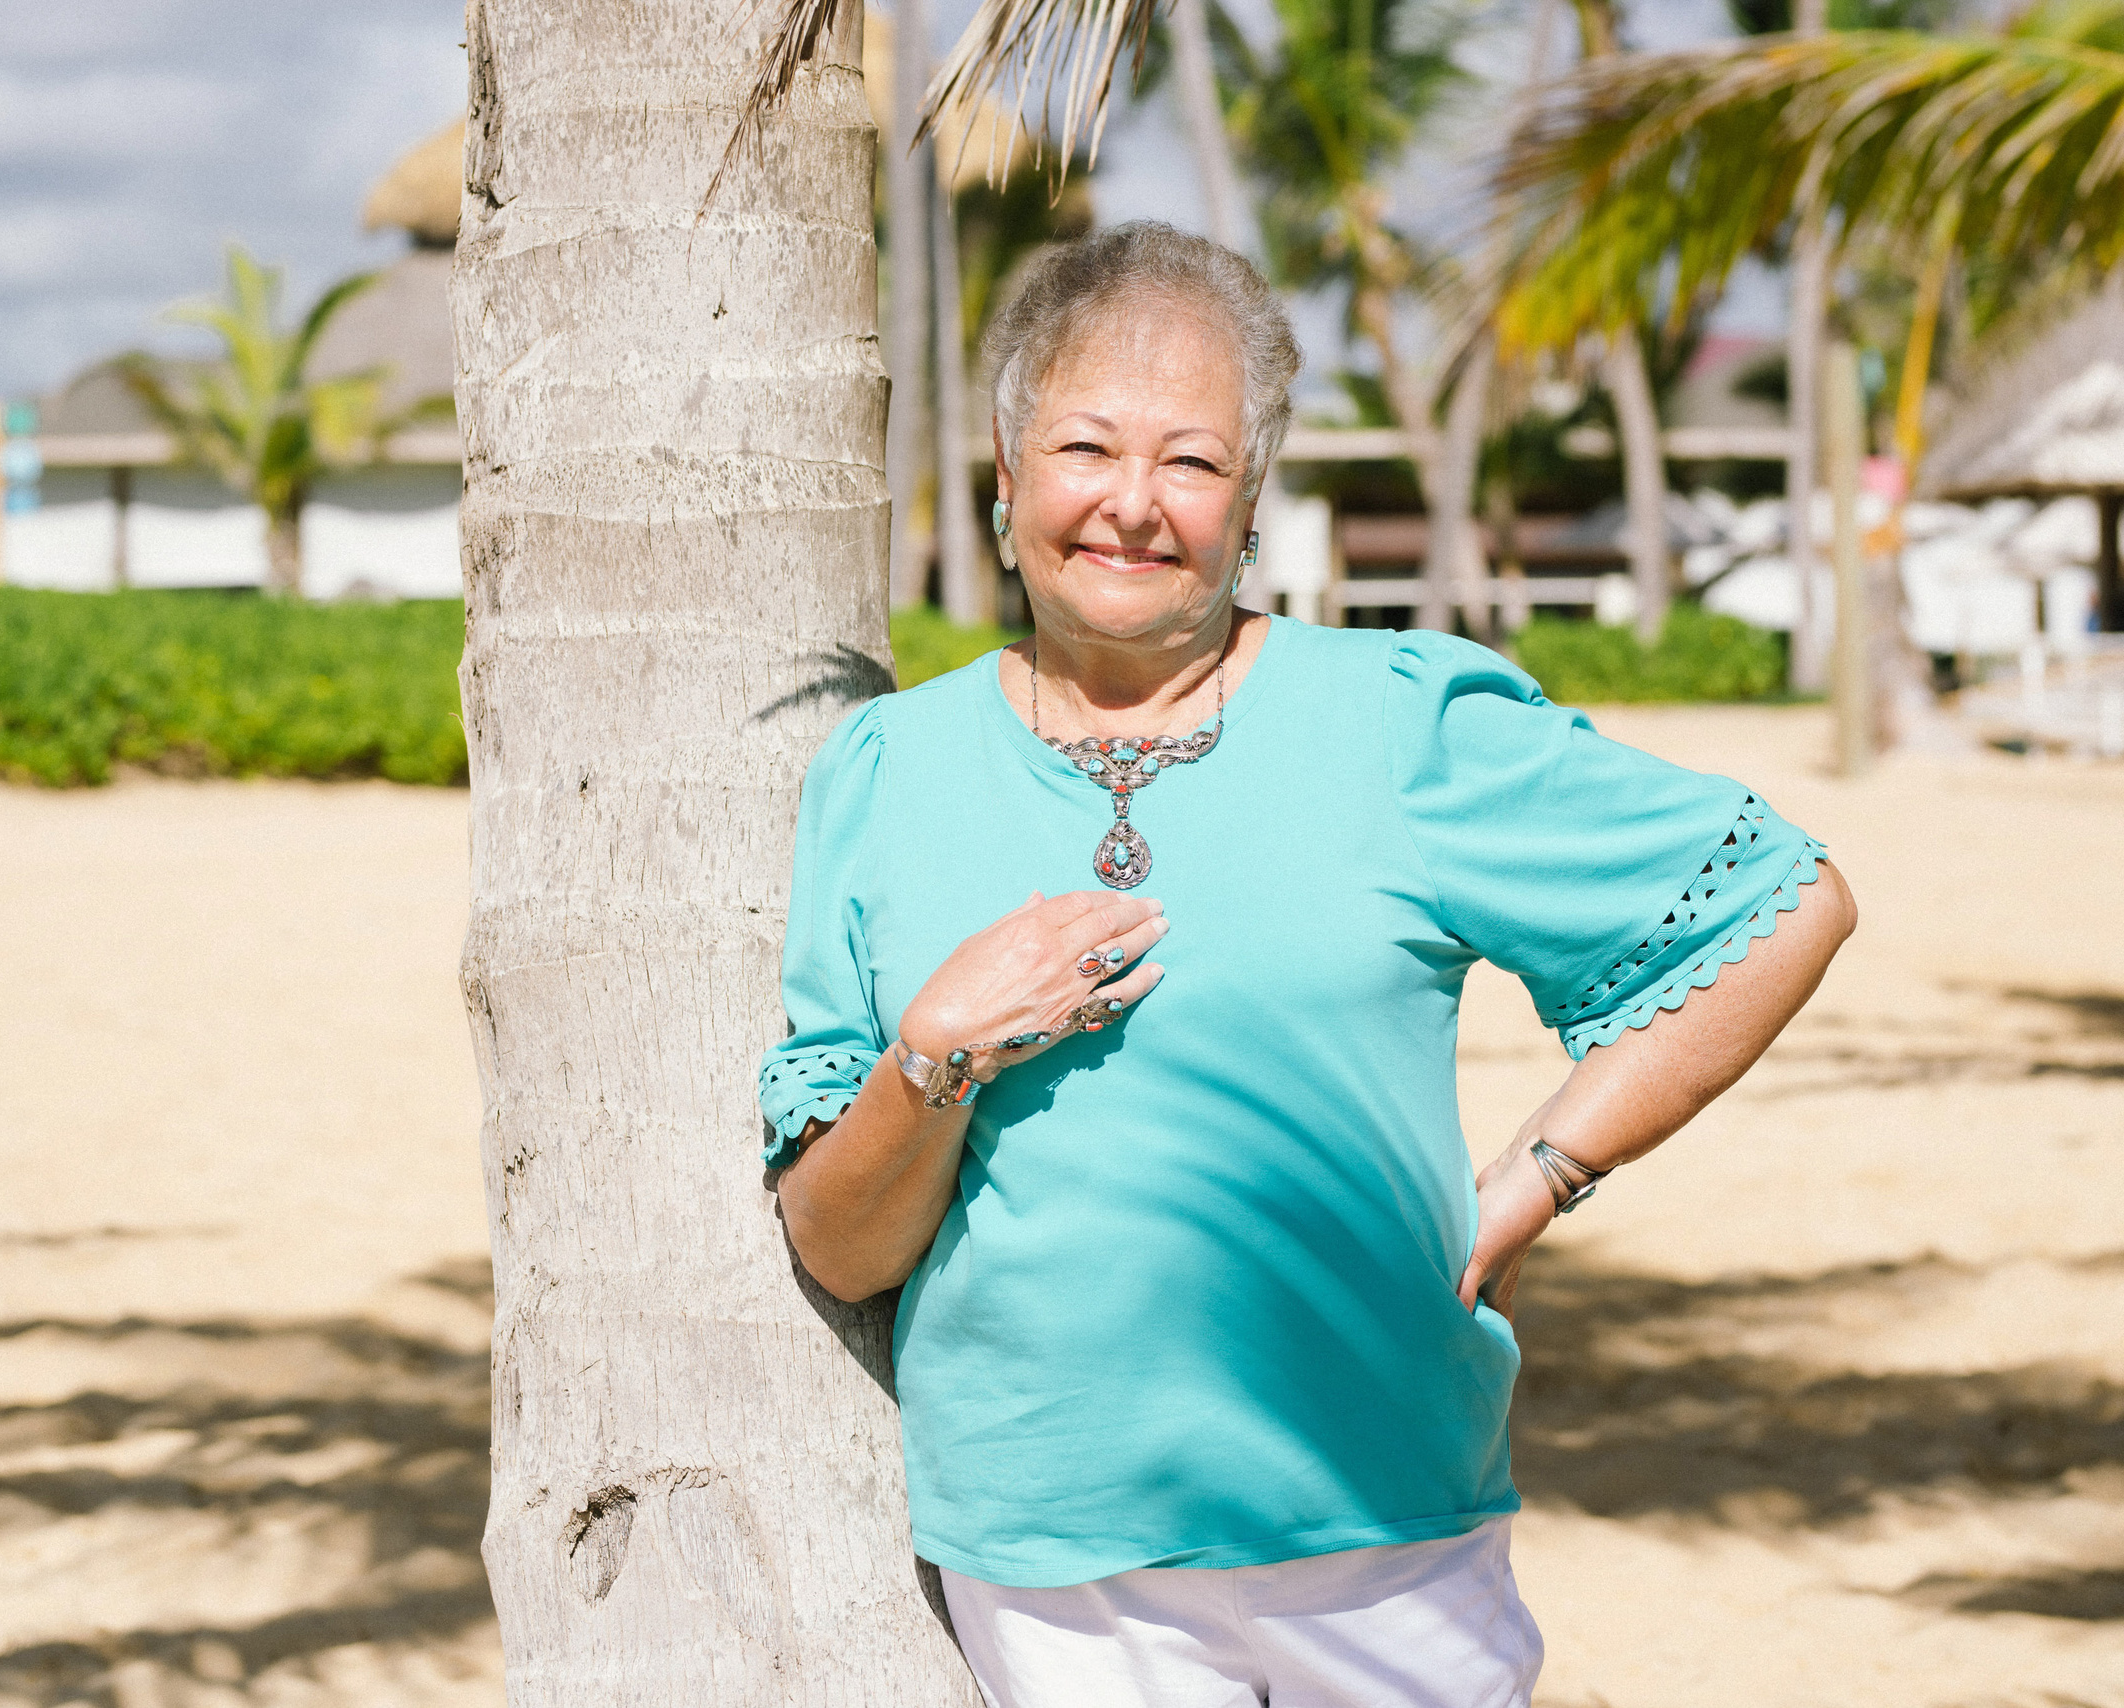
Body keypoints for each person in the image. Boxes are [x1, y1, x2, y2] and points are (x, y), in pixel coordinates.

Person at [756, 222, 1855, 1708]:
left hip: (1381, 1526)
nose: (1133, 507)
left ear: (1250, 502)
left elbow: (1779, 906)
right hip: (1053, 1562)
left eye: (1192, 464)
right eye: (1084, 448)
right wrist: (937, 1050)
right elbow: (839, 1244)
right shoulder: (883, 771)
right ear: (1006, 476)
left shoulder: (1399, 720)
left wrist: (1538, 1180)